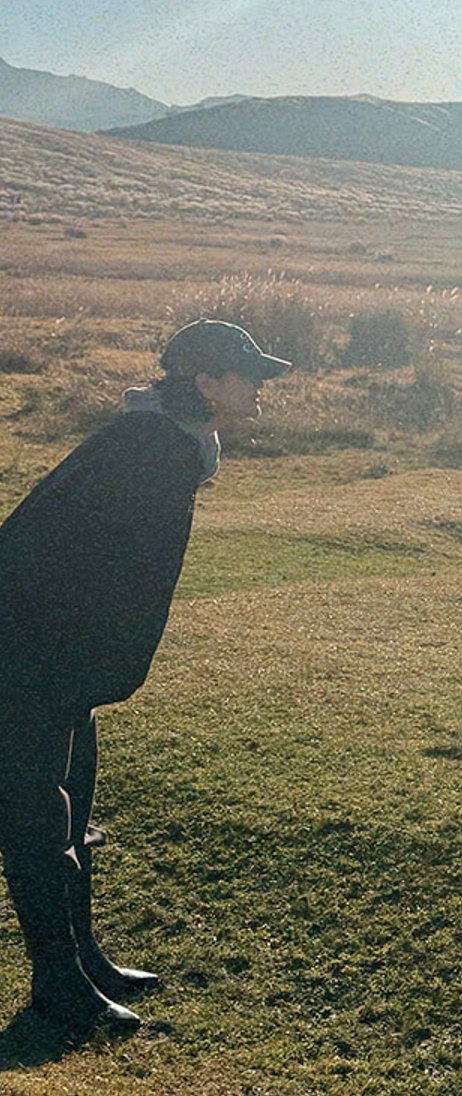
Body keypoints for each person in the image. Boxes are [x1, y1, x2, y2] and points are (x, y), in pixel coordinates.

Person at [0, 320, 290, 1036]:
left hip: (55, 655)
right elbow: (81, 568)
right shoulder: (150, 451)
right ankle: (58, 989)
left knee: (74, 802)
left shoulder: (165, 443)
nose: (258, 386)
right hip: (25, 648)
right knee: (39, 819)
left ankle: (83, 959)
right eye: (246, 374)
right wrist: (80, 668)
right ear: (206, 384)